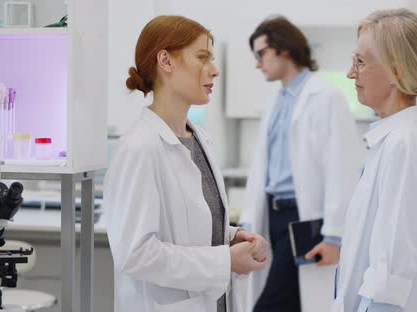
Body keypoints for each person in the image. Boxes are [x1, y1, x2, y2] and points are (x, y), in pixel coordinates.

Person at [103, 15, 269, 312]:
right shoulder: (140, 147)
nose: (215, 71)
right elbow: (136, 254)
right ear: (166, 60)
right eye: (203, 58)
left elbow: (184, 226)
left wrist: (228, 236)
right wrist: (225, 260)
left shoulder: (198, 139)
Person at [239, 16, 362, 311]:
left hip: (305, 219)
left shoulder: (326, 96)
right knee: (292, 303)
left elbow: (342, 166)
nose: (258, 64)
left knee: (271, 304)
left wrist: (334, 235)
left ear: (284, 49)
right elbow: (262, 169)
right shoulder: (276, 101)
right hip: (272, 215)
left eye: (261, 54)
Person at [334, 8, 417, 312]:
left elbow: (391, 271)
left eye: (360, 62)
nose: (350, 73)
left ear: (396, 72)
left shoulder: (406, 144)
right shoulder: (394, 139)